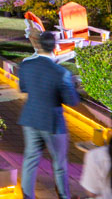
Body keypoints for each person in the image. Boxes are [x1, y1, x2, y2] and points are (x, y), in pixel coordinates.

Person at [18, 31, 80, 199]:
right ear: (55, 47)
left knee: (30, 160)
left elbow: (23, 88)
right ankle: (63, 196)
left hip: (30, 118)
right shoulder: (61, 73)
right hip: (53, 123)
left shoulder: (26, 65)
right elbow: (72, 100)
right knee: (59, 163)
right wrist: (73, 85)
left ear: (38, 45)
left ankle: (27, 196)